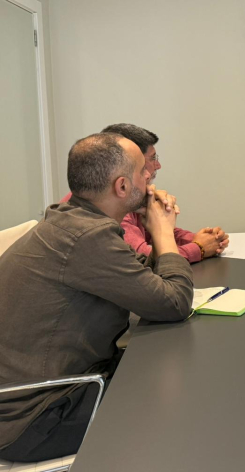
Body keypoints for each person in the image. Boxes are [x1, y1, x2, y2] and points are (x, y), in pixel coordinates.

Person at [0, 133, 194, 462]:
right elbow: (174, 303)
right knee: (184, 398)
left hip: (34, 398)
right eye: (143, 170)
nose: (150, 176)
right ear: (122, 186)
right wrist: (162, 232)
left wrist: (155, 230)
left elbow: (140, 276)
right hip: (36, 419)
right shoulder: (87, 237)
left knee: (168, 369)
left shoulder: (70, 219)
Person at [61, 123, 228, 262]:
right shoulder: (109, 205)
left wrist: (203, 239)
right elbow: (143, 260)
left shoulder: (129, 197)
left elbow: (152, 237)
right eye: (151, 159)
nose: (156, 167)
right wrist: (199, 248)